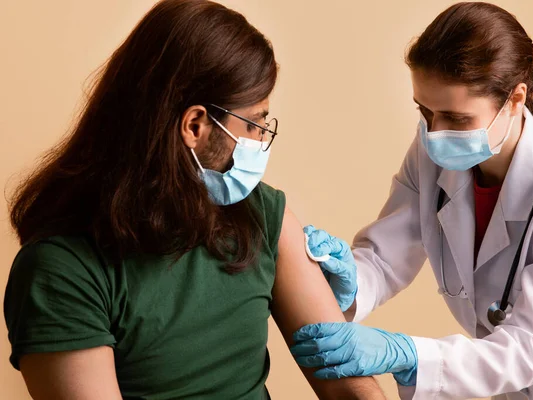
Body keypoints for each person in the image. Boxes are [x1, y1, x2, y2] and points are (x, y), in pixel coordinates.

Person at [2, 1, 387, 399]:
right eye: (255, 124)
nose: (261, 142)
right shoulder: (62, 269)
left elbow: (350, 385)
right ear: (195, 125)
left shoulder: (261, 215)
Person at [296, 2, 533, 400]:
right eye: (425, 111)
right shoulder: (432, 151)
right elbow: (387, 256)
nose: (435, 133)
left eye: (456, 119)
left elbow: (532, 345)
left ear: (515, 99)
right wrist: (349, 281)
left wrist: (407, 354)